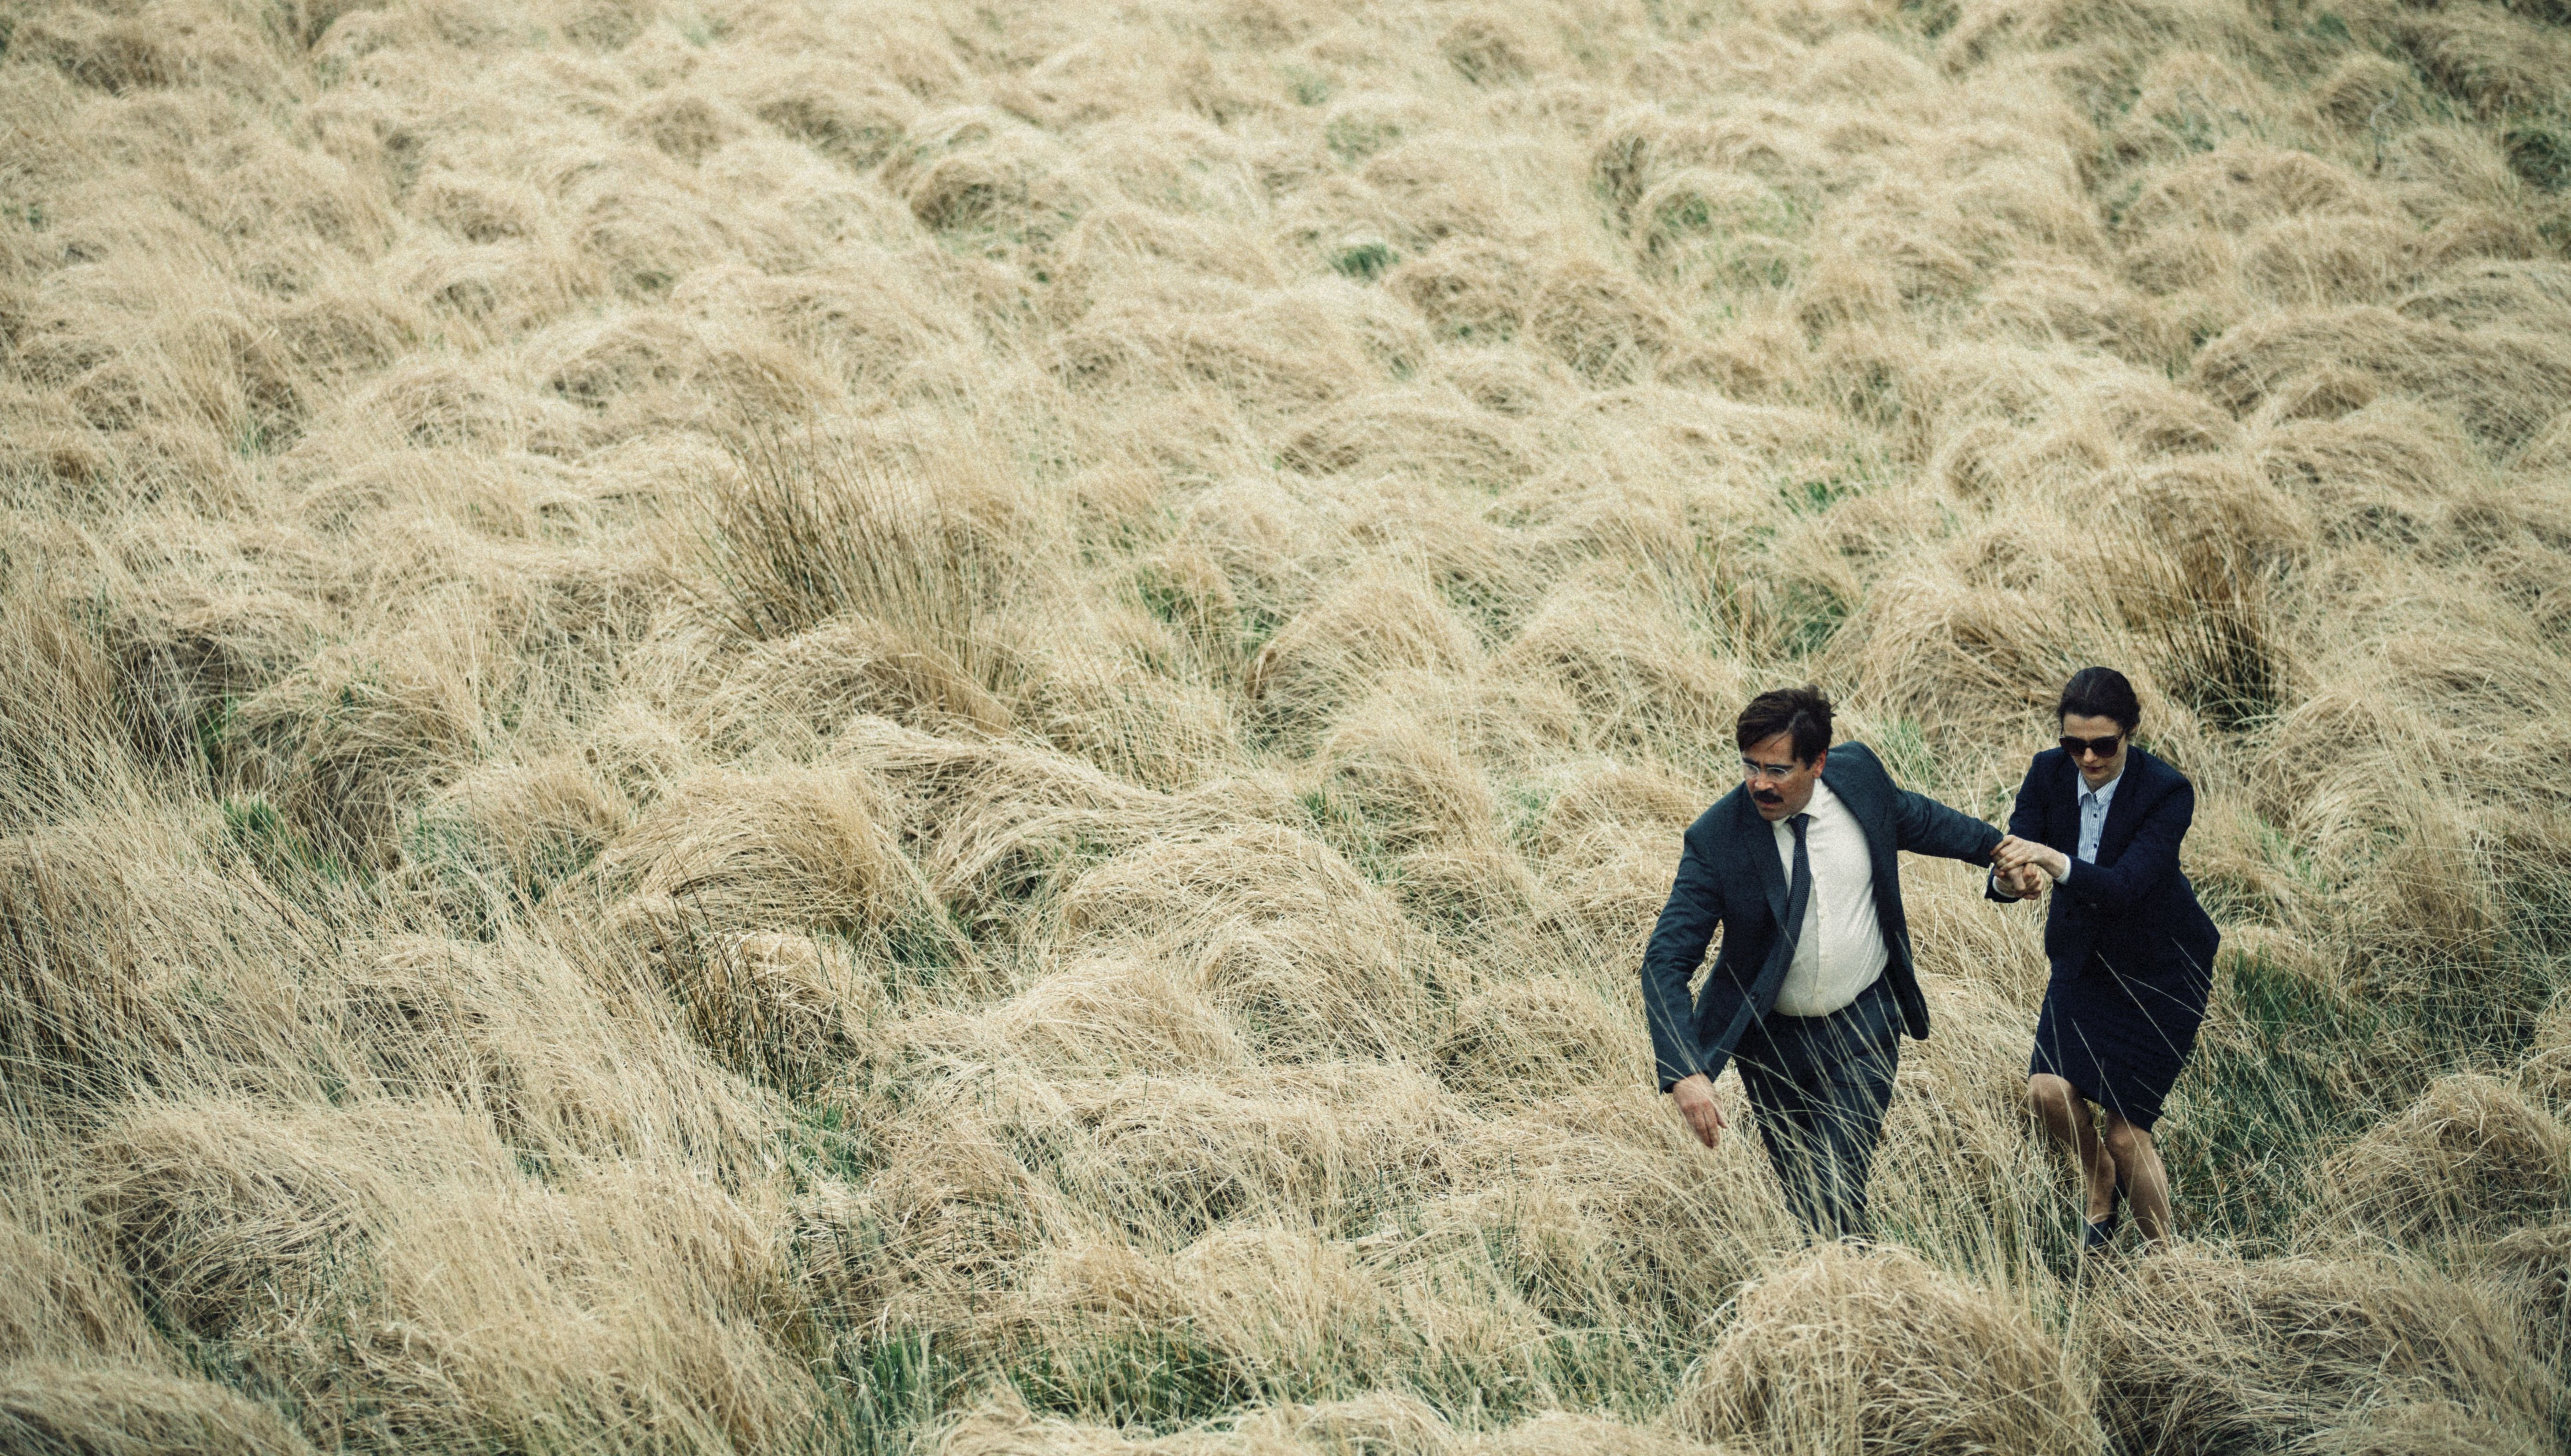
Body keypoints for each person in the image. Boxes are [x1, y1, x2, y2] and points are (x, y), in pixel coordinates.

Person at [1640, 685, 2021, 1240]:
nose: (1759, 783)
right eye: (1749, 765)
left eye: (1777, 768)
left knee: (1832, 1187)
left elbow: (1920, 818)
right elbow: (1664, 959)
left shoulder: (1859, 778)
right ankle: (1847, 1298)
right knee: (1808, 1201)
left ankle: (1860, 1299)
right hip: (1772, 1046)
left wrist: (1998, 854)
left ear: (1818, 763)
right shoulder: (1716, 840)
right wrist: (1685, 1070)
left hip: (1865, 1025)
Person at [1990, 667, 2220, 1254]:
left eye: (2102, 745)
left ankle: (2168, 1265)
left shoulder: (2166, 792)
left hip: (2161, 969)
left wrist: (2051, 858)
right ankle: (2098, 1180)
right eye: (2074, 744)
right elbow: (2015, 850)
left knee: (2125, 1132)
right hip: (2083, 959)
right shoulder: (2047, 773)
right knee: (2046, 1092)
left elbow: (2123, 886)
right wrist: (2012, 878)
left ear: (2130, 733)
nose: (2087, 758)